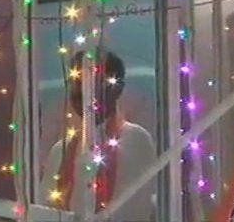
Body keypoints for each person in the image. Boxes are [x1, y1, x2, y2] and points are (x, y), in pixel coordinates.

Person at [38, 50, 156, 221]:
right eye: (76, 81)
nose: (81, 91)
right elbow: (44, 210)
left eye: (93, 82)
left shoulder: (135, 139)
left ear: (117, 89)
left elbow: (133, 211)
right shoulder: (60, 150)